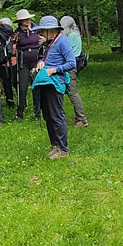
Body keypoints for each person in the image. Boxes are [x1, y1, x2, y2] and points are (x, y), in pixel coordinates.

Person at [33, 14, 76, 158]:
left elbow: (71, 63)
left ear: (50, 30)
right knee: (48, 116)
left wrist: (54, 70)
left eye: (42, 30)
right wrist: (41, 62)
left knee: (56, 115)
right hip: (46, 82)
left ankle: (63, 149)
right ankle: (54, 145)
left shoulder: (63, 41)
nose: (40, 33)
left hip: (55, 83)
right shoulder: (50, 42)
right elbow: (45, 58)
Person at [13, 9, 43, 122]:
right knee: (22, 87)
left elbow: (46, 40)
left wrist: (44, 40)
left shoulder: (37, 30)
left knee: (36, 87)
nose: (27, 20)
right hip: (23, 63)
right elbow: (12, 46)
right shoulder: (17, 33)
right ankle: (20, 112)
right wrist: (14, 42)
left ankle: (37, 113)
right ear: (20, 21)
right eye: (24, 19)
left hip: (36, 62)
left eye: (28, 18)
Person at [59, 15, 88, 127]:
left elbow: (66, 51)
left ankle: (82, 119)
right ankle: (78, 117)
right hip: (72, 65)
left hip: (70, 67)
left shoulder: (71, 36)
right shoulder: (75, 34)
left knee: (72, 92)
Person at [0, 17, 17, 107]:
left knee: (6, 83)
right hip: (14, 62)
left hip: (2, 62)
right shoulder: (14, 35)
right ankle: (21, 101)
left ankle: (10, 102)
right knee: (16, 82)